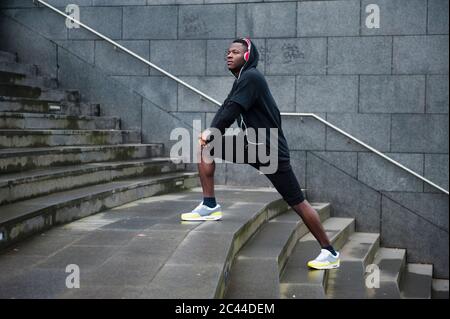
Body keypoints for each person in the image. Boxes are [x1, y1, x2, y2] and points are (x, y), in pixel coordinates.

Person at [180, 38, 340, 270]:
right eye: (228, 52)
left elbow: (232, 110)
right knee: (206, 148)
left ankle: (330, 251)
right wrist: (210, 134)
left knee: (297, 202)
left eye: (235, 52)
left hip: (270, 150)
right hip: (254, 146)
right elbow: (226, 106)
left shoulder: (251, 77)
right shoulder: (242, 80)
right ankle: (209, 205)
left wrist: (212, 132)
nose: (229, 55)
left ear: (247, 56)